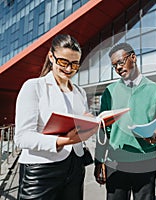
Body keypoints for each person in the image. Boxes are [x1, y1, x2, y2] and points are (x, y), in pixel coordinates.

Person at [14, 34, 98, 200]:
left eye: (74, 64)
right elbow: (22, 137)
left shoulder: (79, 92)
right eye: (63, 62)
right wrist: (63, 141)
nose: (69, 69)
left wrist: (89, 123)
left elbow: (80, 127)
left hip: (75, 165)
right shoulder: (34, 87)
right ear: (51, 57)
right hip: (41, 170)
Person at [93, 42, 156, 200]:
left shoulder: (155, 89)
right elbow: (102, 129)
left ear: (133, 58)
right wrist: (99, 161)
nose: (118, 68)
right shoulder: (109, 92)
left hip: (145, 162)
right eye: (114, 65)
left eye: (120, 62)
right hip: (115, 163)